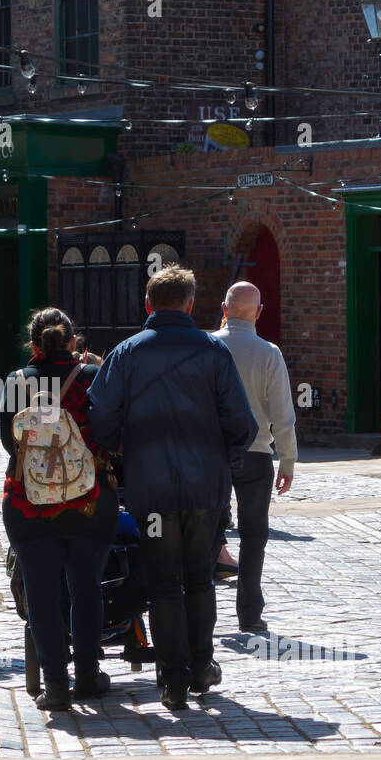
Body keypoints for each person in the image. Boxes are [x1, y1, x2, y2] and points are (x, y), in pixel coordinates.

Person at [87, 265, 257, 710]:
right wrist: (225, 463)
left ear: (148, 304)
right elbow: (242, 423)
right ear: (190, 303)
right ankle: (201, 665)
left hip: (154, 491)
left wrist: (126, 451)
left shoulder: (125, 354)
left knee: (165, 582)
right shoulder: (213, 352)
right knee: (200, 578)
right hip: (205, 491)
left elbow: (100, 419)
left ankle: (174, 677)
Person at [2, 308, 119, 711]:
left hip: (30, 504)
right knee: (87, 589)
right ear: (74, 342)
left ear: (32, 345)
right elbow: (109, 432)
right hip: (90, 501)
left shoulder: (17, 382)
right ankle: (87, 675)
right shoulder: (92, 378)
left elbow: (8, 441)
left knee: (41, 591)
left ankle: (54, 685)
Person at [212, 281, 297, 632]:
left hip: (212, 452)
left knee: (206, 530)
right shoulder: (269, 353)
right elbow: (283, 413)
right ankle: (249, 611)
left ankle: (203, 611)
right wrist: (288, 460)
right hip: (256, 451)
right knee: (254, 533)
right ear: (259, 312)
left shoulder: (208, 347)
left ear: (224, 308)